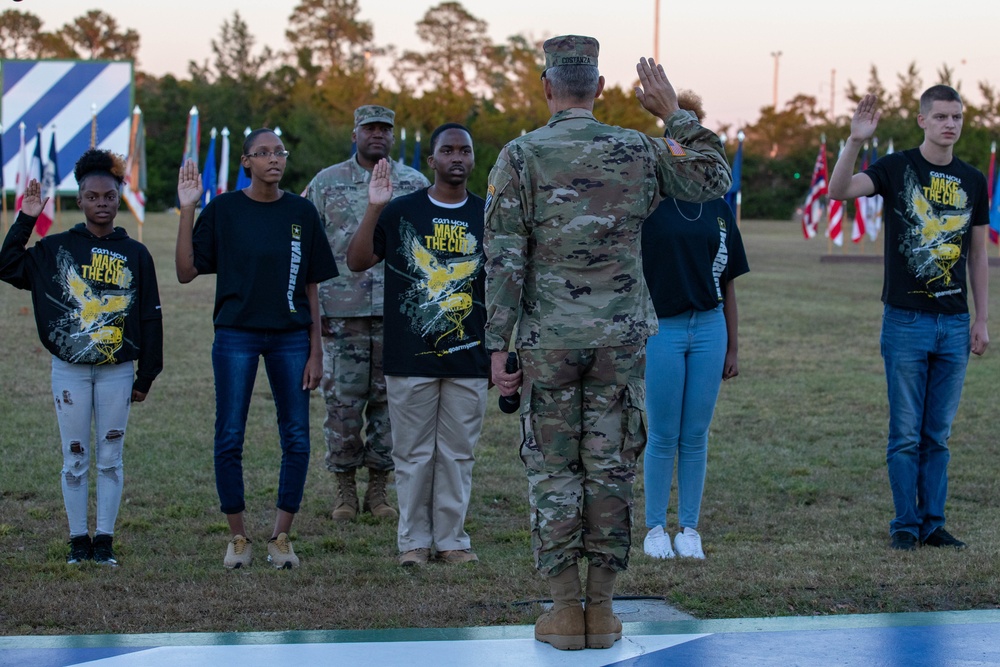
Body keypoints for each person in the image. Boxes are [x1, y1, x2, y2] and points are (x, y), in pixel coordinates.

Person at [485, 36, 731, 651]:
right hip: (620, 341)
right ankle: (603, 611)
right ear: (598, 89)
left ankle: (566, 613)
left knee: (553, 473)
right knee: (610, 467)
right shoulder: (638, 147)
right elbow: (712, 178)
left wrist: (497, 346)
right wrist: (673, 111)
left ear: (547, 87)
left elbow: (504, 259)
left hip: (549, 340)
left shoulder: (519, 155)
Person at [828, 86, 989, 551]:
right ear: (922, 120)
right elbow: (839, 192)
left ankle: (933, 524)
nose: (950, 125)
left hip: (955, 323)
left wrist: (982, 319)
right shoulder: (898, 168)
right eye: (941, 116)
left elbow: (978, 255)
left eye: (957, 117)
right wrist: (856, 141)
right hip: (906, 322)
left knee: (936, 435)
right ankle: (905, 524)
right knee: (904, 434)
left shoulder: (973, 180)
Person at [176, 128, 339, 569]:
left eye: (279, 152)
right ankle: (238, 538)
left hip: (290, 337)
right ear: (246, 162)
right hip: (236, 335)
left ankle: (281, 536)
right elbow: (186, 271)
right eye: (262, 153)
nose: (273, 159)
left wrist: (316, 349)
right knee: (229, 434)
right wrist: (187, 210)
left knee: (297, 437)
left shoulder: (301, 212)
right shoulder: (224, 209)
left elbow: (311, 287)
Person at [0, 150, 163, 567]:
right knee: (74, 456)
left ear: (119, 195)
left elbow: (149, 315)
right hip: (69, 370)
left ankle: (104, 540)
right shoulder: (56, 248)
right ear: (81, 199)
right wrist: (27, 218)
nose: (101, 203)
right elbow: (7, 264)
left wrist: (147, 374)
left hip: (117, 372)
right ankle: (78, 541)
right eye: (92, 196)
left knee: (110, 457)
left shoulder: (137, 254)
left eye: (109, 195)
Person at [346, 123, 488, 567]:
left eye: (464, 150)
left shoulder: (488, 214)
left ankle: (451, 541)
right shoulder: (401, 210)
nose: (457, 158)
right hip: (410, 357)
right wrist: (374, 208)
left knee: (457, 455)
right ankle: (413, 542)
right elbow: (356, 261)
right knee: (412, 455)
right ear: (432, 160)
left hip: (470, 355)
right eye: (447, 150)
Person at [304, 105, 430, 523]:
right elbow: (308, 249)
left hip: (398, 315)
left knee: (390, 408)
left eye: (385, 129)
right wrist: (314, 307)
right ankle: (343, 488)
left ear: (393, 136)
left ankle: (378, 489)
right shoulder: (326, 182)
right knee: (342, 406)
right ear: (354, 132)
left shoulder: (413, 183)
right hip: (342, 314)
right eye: (370, 128)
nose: (378, 135)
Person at [640, 93, 750, 562]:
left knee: (696, 434)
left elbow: (728, 283)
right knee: (663, 433)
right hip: (662, 329)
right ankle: (653, 529)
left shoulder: (718, 205)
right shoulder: (646, 200)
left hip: (708, 329)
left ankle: (689, 528)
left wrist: (733, 348)